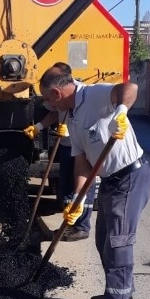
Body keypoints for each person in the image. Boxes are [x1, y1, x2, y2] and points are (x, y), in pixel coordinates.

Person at [39, 62, 150, 299]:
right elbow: (82, 164)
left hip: (130, 177)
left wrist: (122, 111)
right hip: (111, 182)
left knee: (117, 244)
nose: (49, 108)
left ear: (56, 93)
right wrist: (77, 201)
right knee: (104, 241)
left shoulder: (95, 95)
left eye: (47, 100)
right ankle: (124, 294)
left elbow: (129, 87)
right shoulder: (72, 117)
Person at [24, 97, 95, 242]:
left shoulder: (80, 98)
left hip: (81, 145)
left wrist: (70, 130)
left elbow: (87, 119)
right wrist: (38, 126)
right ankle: (70, 225)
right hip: (66, 145)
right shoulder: (57, 99)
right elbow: (54, 114)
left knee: (81, 184)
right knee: (66, 185)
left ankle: (82, 227)